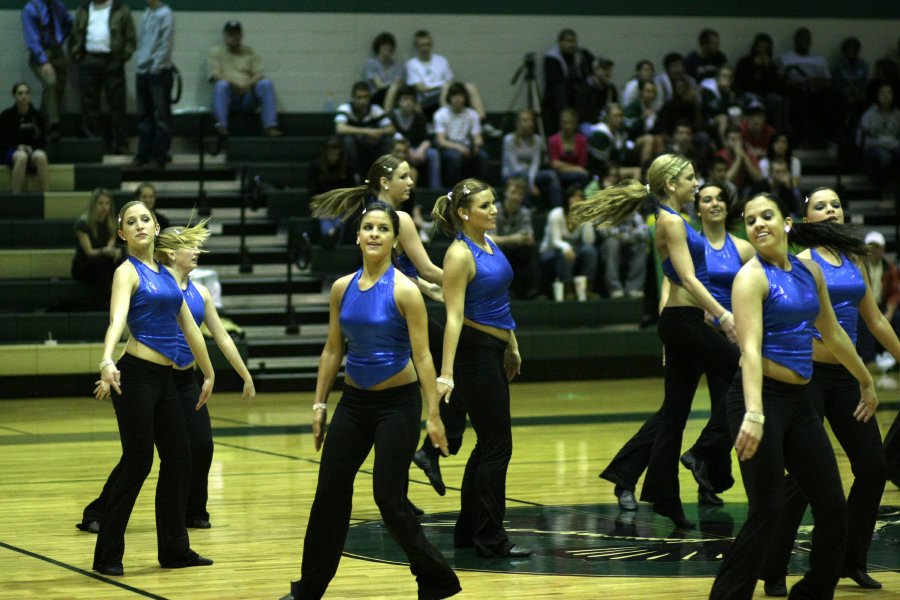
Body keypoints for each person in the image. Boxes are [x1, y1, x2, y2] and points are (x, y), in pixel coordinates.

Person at [280, 201, 461, 600]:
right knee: (329, 491)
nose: (374, 234)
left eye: (383, 228)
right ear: (358, 236)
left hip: (397, 405)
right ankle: (309, 588)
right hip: (354, 404)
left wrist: (433, 414)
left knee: (388, 498)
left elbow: (424, 356)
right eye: (368, 227)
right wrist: (319, 405)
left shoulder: (405, 291)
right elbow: (332, 349)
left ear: (396, 241)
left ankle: (436, 579)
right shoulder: (341, 288)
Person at [708, 192, 878, 600]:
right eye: (750, 221)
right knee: (768, 510)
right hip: (760, 398)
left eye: (767, 216)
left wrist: (865, 379)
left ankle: (814, 592)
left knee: (834, 508)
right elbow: (749, 351)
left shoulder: (809, 273)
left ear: (786, 223)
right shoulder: (750, 277)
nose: (758, 225)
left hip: (800, 402)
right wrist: (753, 413)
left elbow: (833, 333)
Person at [570, 154, 740, 528]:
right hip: (684, 321)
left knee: (674, 415)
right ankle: (704, 455)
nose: (696, 184)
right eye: (691, 178)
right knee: (743, 373)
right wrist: (724, 317)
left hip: (684, 320)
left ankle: (665, 495)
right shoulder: (670, 221)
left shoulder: (678, 219)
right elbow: (688, 280)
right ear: (670, 184)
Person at [758, 188, 897, 595]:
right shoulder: (801, 262)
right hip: (809, 378)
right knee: (802, 480)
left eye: (835, 203)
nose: (831, 209)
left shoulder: (855, 260)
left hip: (848, 380)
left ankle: (850, 562)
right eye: (821, 206)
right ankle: (775, 567)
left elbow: (875, 320)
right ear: (807, 217)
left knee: (873, 469)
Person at [79, 221, 256, 533]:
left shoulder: (198, 292)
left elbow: (218, 337)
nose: (197, 251)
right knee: (139, 458)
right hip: (154, 378)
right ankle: (99, 511)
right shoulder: (153, 284)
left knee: (199, 447)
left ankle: (193, 512)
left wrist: (241, 375)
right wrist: (109, 368)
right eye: (191, 246)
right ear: (172, 254)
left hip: (185, 380)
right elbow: (128, 329)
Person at [598, 181, 752, 510]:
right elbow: (671, 285)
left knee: (728, 405)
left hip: (730, 334)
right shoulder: (687, 237)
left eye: (719, 198)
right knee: (676, 411)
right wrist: (668, 335)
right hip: (696, 329)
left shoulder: (742, 248)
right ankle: (638, 473)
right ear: (697, 208)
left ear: (727, 206)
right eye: (706, 199)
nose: (713, 204)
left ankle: (705, 479)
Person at [92, 201, 215, 575]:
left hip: (167, 381)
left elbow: (191, 328)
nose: (140, 225)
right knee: (138, 462)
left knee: (180, 460)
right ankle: (107, 555)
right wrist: (106, 360)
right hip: (136, 376)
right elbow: (116, 319)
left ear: (157, 227)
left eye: (145, 219)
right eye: (131, 222)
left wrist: (208, 373)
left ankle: (175, 549)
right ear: (122, 234)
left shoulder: (165, 275)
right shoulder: (125, 272)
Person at [431, 178, 531, 558]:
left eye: (493, 203)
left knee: (488, 444)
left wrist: (513, 343)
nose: (494, 210)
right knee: (497, 446)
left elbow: (498, 299)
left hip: (495, 346)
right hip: (473, 352)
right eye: (485, 205)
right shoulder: (459, 254)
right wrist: (446, 373)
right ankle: (490, 537)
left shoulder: (488, 243)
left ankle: (467, 530)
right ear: (463, 213)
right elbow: (453, 316)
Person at [69, 0, 136, 154]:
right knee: (89, 104)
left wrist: (121, 58)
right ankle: (91, 144)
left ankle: (120, 144)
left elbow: (131, 38)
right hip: (89, 59)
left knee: (117, 104)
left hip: (113, 60)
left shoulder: (121, 10)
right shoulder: (83, 9)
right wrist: (78, 55)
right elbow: (74, 35)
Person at [208, 20, 282, 138]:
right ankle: (221, 126)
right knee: (221, 85)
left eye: (237, 34)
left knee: (266, 84)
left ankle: (270, 126)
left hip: (247, 95)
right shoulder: (216, 52)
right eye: (231, 34)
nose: (234, 37)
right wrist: (233, 84)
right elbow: (215, 75)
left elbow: (259, 74)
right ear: (225, 35)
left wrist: (248, 84)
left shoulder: (250, 52)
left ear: (242, 35)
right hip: (230, 96)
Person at [405, 30, 486, 121]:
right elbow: (421, 88)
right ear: (416, 47)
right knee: (445, 86)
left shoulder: (441, 60)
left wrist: (444, 86)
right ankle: (447, 120)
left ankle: (482, 121)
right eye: (421, 45)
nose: (425, 48)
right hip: (425, 97)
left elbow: (450, 81)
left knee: (471, 87)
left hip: (444, 91)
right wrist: (442, 85)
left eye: (428, 45)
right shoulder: (411, 64)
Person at [131, 0, 174, 170]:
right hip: (143, 70)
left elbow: (166, 44)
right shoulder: (147, 13)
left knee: (161, 117)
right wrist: (140, 66)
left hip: (158, 73)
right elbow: (142, 42)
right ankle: (143, 154)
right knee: (144, 116)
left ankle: (159, 156)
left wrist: (156, 67)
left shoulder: (166, 14)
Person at [22, 0, 73, 139]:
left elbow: (69, 22)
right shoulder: (31, 9)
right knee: (50, 82)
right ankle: (54, 124)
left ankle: (40, 123)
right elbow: (31, 40)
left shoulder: (58, 6)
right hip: (41, 53)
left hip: (58, 51)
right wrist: (44, 61)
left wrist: (61, 38)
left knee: (57, 89)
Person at [540, 185, 598, 299]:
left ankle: (587, 290)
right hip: (551, 251)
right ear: (567, 199)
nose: (576, 200)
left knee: (590, 251)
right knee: (565, 253)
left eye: (579, 197)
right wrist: (566, 248)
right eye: (573, 197)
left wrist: (587, 219)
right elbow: (555, 240)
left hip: (574, 249)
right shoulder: (556, 214)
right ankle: (567, 290)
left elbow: (588, 241)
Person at [501, 108, 562, 209]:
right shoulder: (509, 139)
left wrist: (531, 181)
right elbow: (514, 166)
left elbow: (535, 163)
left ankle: (557, 208)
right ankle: (528, 206)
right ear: (518, 123)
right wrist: (530, 184)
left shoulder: (538, 140)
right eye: (525, 120)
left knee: (551, 175)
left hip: (530, 174)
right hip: (511, 174)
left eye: (531, 120)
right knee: (522, 173)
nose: (529, 123)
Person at [71, 188, 122, 308]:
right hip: (83, 264)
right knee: (102, 265)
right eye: (100, 203)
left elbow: (110, 245)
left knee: (122, 261)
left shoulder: (112, 222)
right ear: (93, 205)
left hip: (102, 261)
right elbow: (89, 252)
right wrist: (106, 251)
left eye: (107, 203)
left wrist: (115, 252)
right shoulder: (83, 224)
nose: (104, 207)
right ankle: (104, 303)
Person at [491, 178, 541, 300]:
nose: (516, 197)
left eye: (520, 194)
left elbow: (529, 238)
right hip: (498, 250)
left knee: (531, 249)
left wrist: (525, 239)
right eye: (513, 192)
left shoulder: (524, 212)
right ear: (506, 193)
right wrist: (513, 238)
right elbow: (489, 239)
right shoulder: (494, 210)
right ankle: (505, 292)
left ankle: (533, 292)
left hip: (516, 250)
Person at [334, 81, 395, 180]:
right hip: (352, 149)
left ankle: (383, 173)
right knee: (347, 140)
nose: (362, 101)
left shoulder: (375, 109)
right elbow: (340, 128)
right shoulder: (345, 108)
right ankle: (355, 175)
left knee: (387, 140)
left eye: (365, 97)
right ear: (353, 98)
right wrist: (367, 131)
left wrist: (377, 132)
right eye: (359, 97)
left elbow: (391, 129)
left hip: (371, 146)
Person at [433, 82, 488, 188]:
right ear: (450, 97)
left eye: (460, 96)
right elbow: (441, 141)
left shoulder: (472, 114)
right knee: (455, 157)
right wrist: (459, 147)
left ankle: (481, 189)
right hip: (449, 146)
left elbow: (477, 136)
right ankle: (453, 189)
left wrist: (477, 144)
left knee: (483, 156)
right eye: (454, 96)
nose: (458, 99)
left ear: (465, 98)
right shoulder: (441, 114)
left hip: (466, 146)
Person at [857, 230, 900, 365]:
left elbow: (894, 293)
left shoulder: (890, 269)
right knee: (862, 319)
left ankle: (896, 358)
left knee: (898, 317)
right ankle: (870, 360)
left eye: (877, 247)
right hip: (864, 306)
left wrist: (889, 312)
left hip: (882, 306)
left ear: (883, 248)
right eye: (871, 247)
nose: (874, 250)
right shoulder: (859, 267)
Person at [308, 136, 358, 246]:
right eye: (331, 154)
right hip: (323, 203)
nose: (333, 157)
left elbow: (352, 191)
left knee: (341, 218)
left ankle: (331, 235)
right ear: (326, 153)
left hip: (342, 204)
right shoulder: (316, 165)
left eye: (336, 155)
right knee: (325, 216)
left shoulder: (347, 166)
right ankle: (331, 234)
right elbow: (312, 191)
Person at [543, 28, 594, 135]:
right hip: (558, 97)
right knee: (561, 91)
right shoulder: (551, 58)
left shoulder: (580, 54)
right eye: (568, 41)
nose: (572, 45)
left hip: (576, 94)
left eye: (574, 41)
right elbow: (555, 82)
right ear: (560, 42)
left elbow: (591, 68)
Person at [0, 82, 49, 193]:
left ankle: (47, 195)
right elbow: (1, 141)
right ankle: (16, 195)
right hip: (12, 151)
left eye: (26, 93)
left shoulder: (37, 115)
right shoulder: (6, 115)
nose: (24, 96)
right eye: (20, 93)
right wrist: (18, 147)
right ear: (14, 96)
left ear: (30, 95)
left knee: (41, 156)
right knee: (22, 157)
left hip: (32, 150)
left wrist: (31, 148)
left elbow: (42, 140)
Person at [733, 33, 786, 132]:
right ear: (755, 47)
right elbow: (742, 84)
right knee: (755, 99)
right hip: (748, 94)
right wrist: (755, 67)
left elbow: (776, 87)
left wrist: (767, 69)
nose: (763, 50)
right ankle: (755, 130)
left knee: (778, 100)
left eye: (766, 48)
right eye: (760, 47)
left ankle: (778, 132)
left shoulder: (771, 65)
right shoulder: (745, 62)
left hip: (767, 96)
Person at [389, 85, 436, 185]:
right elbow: (392, 136)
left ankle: (435, 188)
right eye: (405, 99)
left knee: (433, 154)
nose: (408, 103)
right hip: (399, 148)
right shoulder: (392, 116)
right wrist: (408, 149)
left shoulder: (419, 117)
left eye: (411, 100)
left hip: (417, 149)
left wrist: (421, 150)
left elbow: (427, 137)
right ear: (398, 102)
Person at [858, 83, 900, 189]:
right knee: (884, 158)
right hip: (875, 147)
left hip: (894, 145)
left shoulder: (897, 114)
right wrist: (883, 143)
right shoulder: (869, 114)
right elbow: (862, 138)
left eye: (889, 93)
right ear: (877, 95)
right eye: (882, 92)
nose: (886, 95)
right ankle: (881, 187)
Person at [548, 108, 590, 191]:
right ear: (560, 123)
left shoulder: (582, 140)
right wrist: (576, 169)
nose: (568, 126)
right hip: (559, 175)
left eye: (571, 123)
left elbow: (582, 164)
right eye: (565, 123)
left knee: (581, 179)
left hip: (577, 176)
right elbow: (555, 164)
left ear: (575, 124)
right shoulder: (553, 140)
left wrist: (562, 165)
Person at [363, 31, 404, 109]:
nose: (387, 48)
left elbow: (400, 83)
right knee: (394, 86)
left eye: (390, 45)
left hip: (395, 95)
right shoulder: (371, 63)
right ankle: (386, 116)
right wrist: (393, 83)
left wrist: (395, 84)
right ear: (378, 47)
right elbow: (379, 86)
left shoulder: (397, 65)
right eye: (384, 45)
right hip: (376, 96)